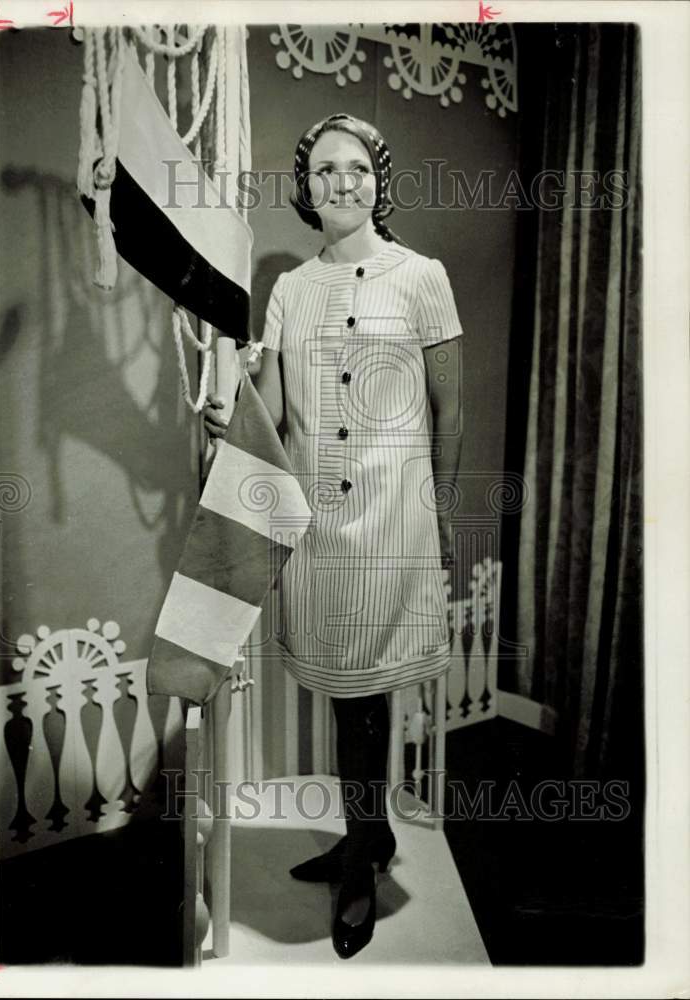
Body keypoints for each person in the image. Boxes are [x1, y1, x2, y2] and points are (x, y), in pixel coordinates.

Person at [203, 112, 463, 960]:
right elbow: (274, 415)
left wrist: (441, 515)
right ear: (305, 189)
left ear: (378, 178)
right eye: (321, 173)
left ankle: (362, 859)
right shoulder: (290, 291)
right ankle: (371, 836)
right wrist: (226, 412)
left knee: (362, 697)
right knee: (346, 692)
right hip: (320, 525)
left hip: (394, 521)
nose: (339, 184)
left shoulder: (421, 276)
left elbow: (449, 409)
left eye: (354, 168)